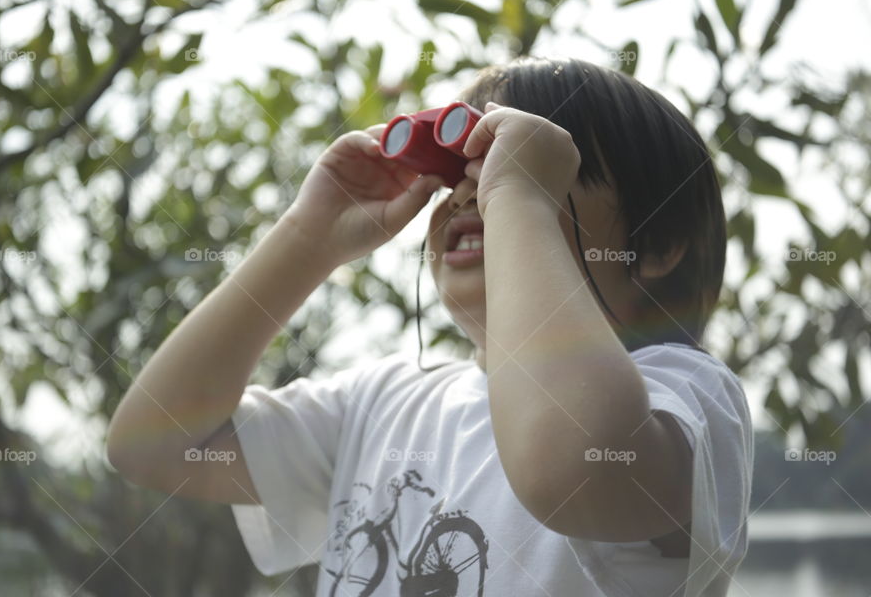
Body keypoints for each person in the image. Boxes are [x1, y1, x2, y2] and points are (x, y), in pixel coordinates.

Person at [107, 56, 753, 596]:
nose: (473, 193)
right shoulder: (381, 404)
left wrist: (518, 200)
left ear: (659, 240)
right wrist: (308, 239)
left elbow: (572, 471)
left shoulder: (686, 399)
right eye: (457, 174)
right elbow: (152, 444)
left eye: (509, 165)